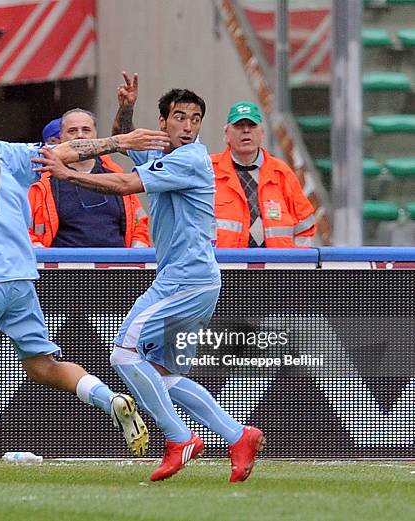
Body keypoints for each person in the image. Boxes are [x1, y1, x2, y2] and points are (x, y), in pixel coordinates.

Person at [0, 79, 169, 484]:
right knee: (43, 365)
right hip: (21, 279)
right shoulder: (5, 153)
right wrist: (120, 141)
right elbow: (68, 151)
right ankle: (109, 399)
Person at [35, 73, 265, 483]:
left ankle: (178, 437)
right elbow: (125, 142)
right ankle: (238, 435)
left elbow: (124, 183)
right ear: (164, 122)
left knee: (123, 354)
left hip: (185, 281)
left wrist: (68, 175)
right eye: (180, 118)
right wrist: (125, 108)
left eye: (195, 119)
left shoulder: (190, 158)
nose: (188, 126)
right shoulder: (167, 154)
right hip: (191, 279)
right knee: (165, 375)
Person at [29, 109, 150, 248]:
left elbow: (139, 224)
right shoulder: (44, 182)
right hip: (64, 267)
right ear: (61, 137)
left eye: (86, 130)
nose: (80, 135)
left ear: (96, 135)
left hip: (116, 266)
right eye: (72, 131)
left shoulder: (115, 174)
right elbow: (25, 229)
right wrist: (44, 259)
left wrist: (135, 257)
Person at [213, 101, 316, 247]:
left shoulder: (282, 173)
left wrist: (297, 264)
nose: (246, 131)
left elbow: (305, 224)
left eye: (252, 125)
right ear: (226, 134)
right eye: (239, 126)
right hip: (225, 267)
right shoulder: (209, 171)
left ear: (262, 133)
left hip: (276, 267)